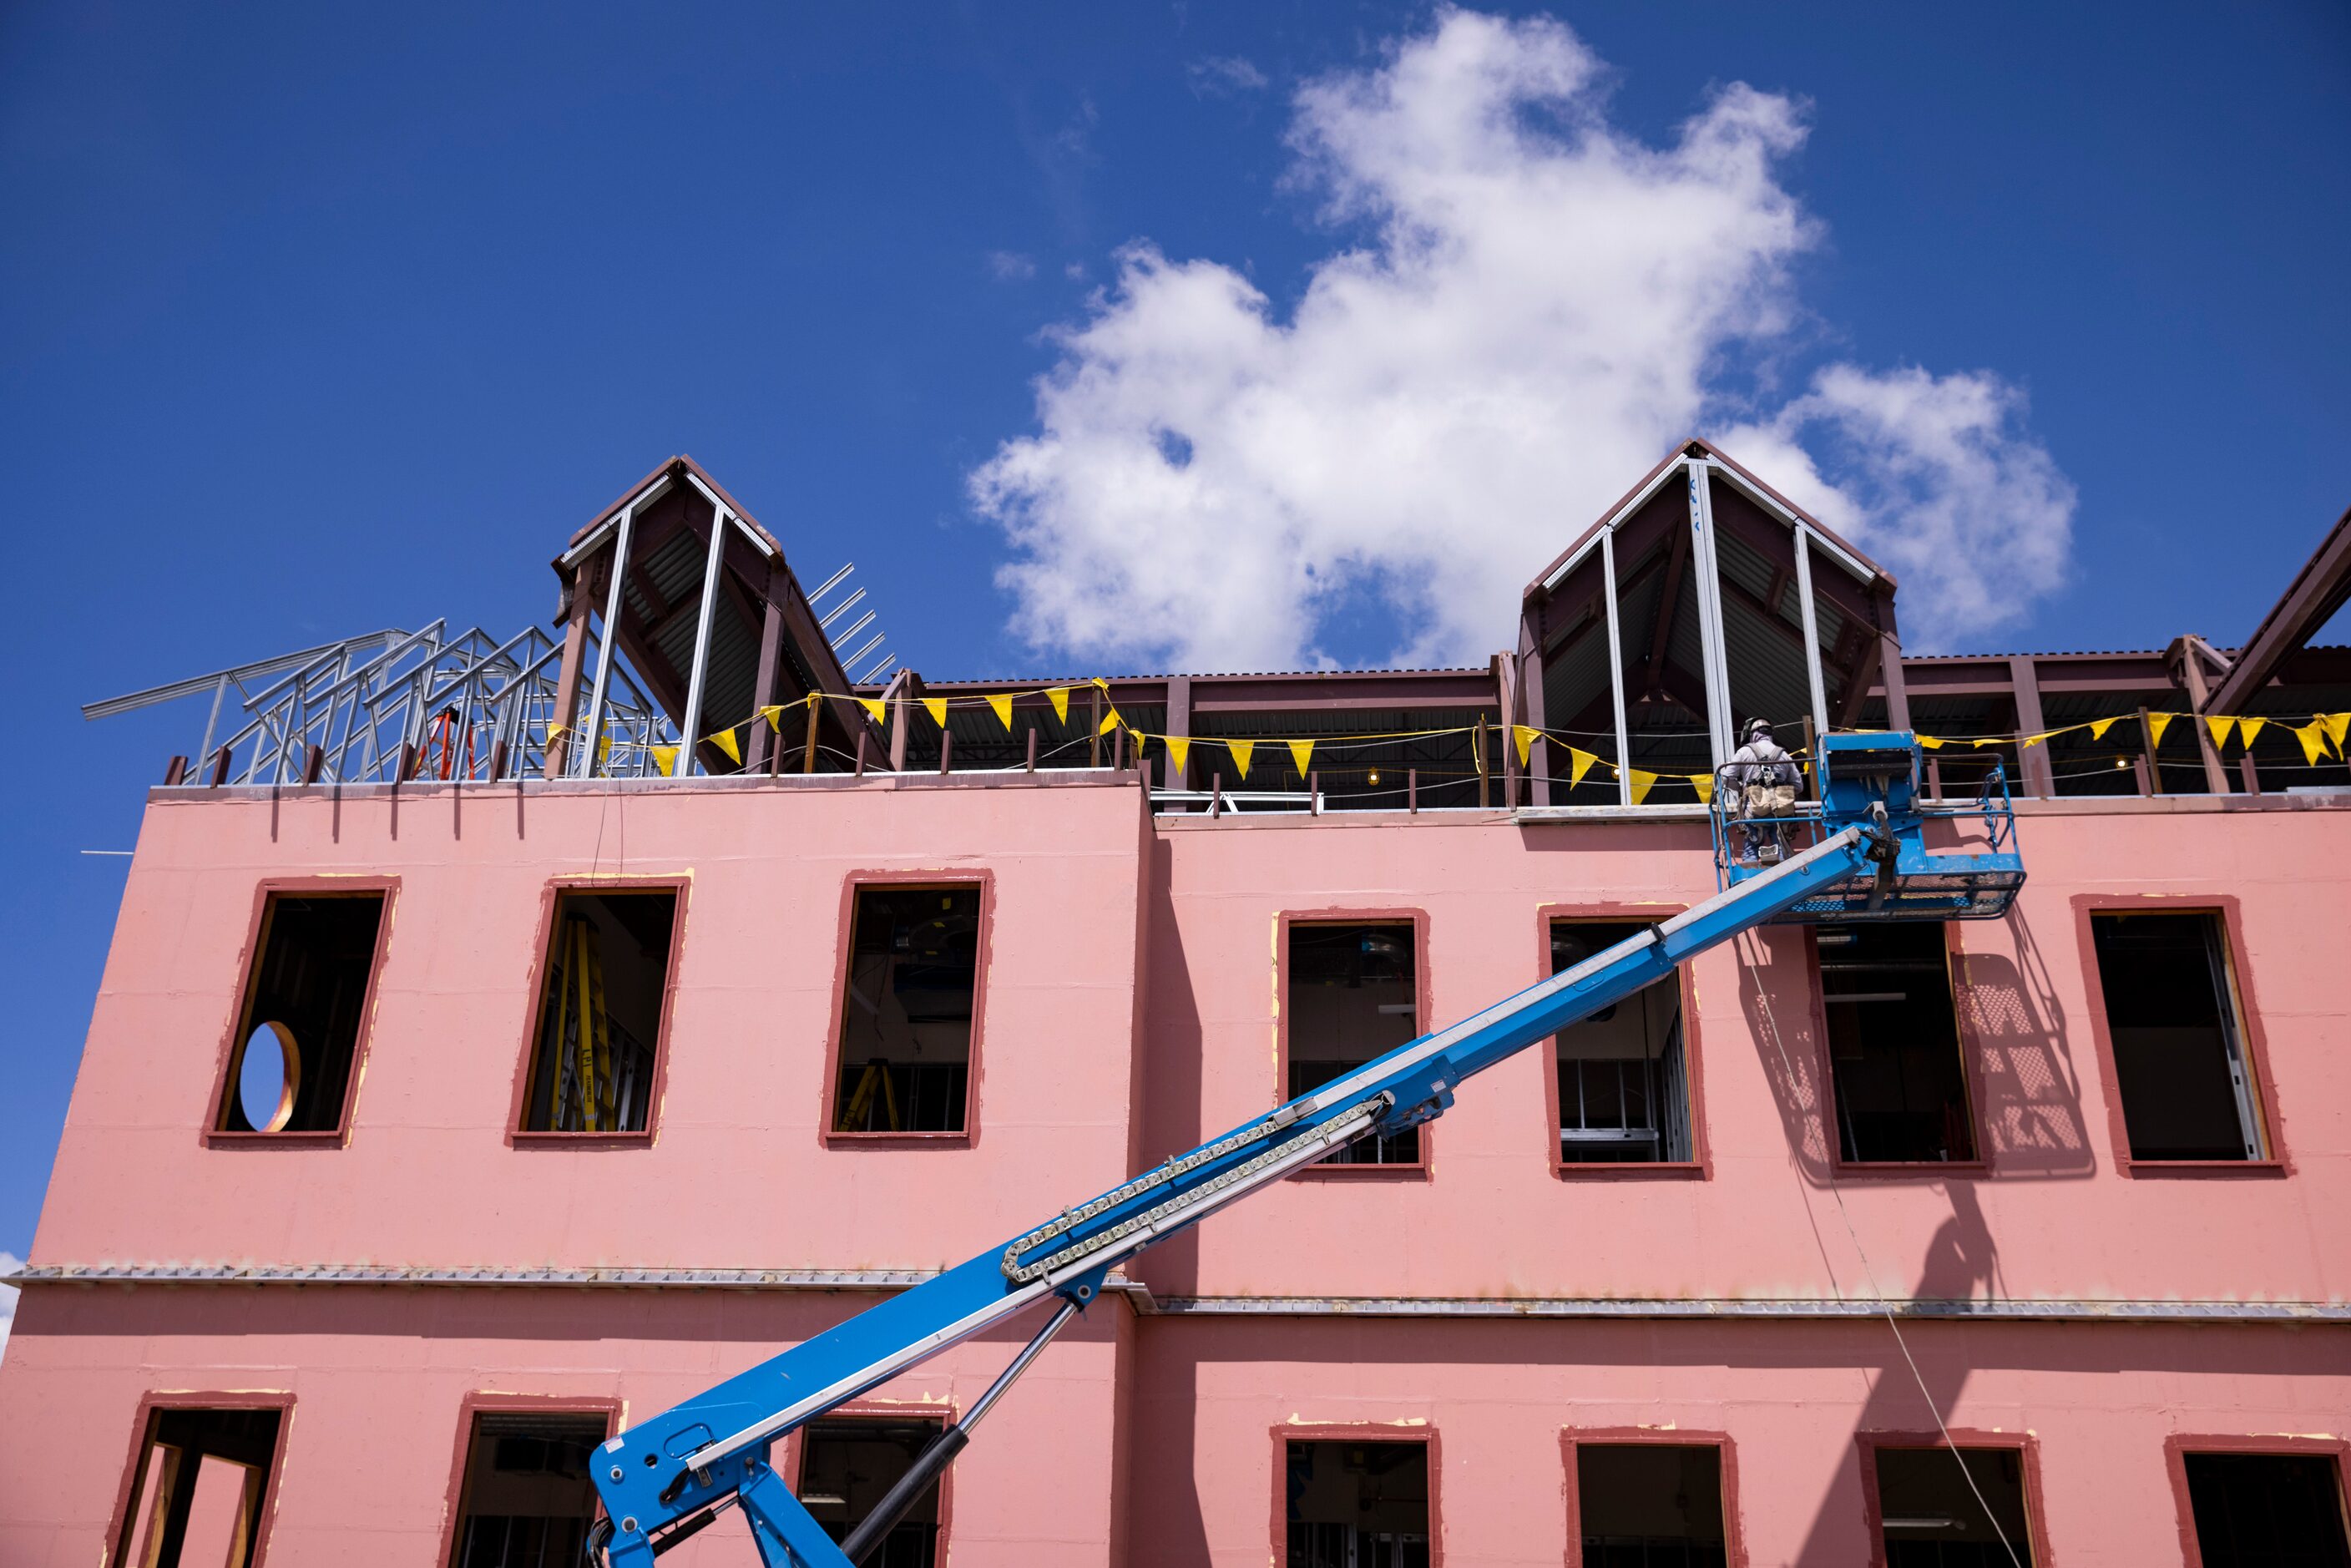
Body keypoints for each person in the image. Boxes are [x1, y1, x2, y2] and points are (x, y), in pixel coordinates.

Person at [1731, 717, 1799, 863]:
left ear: (1752, 734)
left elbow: (1726, 777)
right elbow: (1799, 786)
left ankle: (1750, 881)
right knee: (1782, 848)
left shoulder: (1744, 752)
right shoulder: (1784, 754)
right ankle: (1784, 877)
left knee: (1751, 849)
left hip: (1754, 808)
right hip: (1781, 810)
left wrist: (1743, 788)